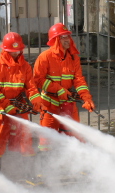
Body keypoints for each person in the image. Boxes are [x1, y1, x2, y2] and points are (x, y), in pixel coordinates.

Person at [0, 32, 42, 173]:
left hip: (19, 106)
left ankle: (30, 174)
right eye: (12, 51)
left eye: (18, 50)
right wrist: (6, 106)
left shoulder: (26, 66)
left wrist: (36, 100)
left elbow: (31, 88)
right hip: (0, 109)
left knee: (25, 140)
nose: (16, 53)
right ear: (5, 49)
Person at [33, 23, 95, 152]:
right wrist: (59, 89)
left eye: (68, 36)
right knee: (47, 140)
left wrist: (86, 97)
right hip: (49, 105)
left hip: (68, 103)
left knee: (72, 136)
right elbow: (38, 80)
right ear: (55, 40)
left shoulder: (73, 58)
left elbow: (79, 80)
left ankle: (71, 166)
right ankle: (46, 167)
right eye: (63, 37)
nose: (67, 39)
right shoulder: (45, 57)